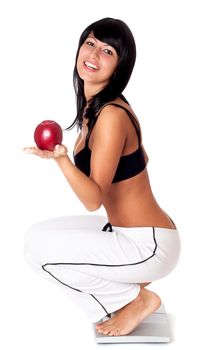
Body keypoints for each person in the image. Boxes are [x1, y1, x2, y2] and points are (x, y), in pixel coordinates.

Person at [23, 17, 181, 337]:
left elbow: (93, 200)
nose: (93, 55)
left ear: (120, 66)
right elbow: (140, 159)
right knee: (35, 237)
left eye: (107, 51)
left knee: (41, 253)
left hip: (148, 246)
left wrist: (62, 159)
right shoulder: (96, 107)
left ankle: (134, 301)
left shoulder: (110, 114)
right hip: (127, 233)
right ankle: (124, 294)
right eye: (90, 43)